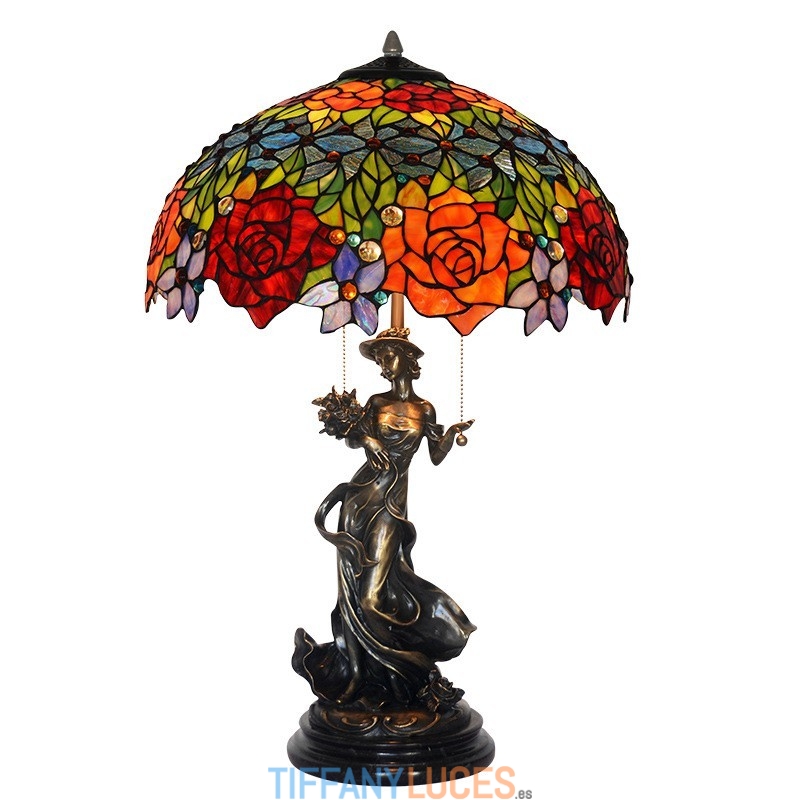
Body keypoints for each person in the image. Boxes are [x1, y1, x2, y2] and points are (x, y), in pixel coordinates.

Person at [293, 329, 475, 708]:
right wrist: (367, 439)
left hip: (392, 504)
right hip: (362, 497)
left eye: (388, 357)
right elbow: (352, 437)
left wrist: (450, 436)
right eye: (379, 360)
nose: (382, 366)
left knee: (373, 597)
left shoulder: (425, 409)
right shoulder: (377, 403)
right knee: (355, 591)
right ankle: (362, 675)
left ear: (407, 359)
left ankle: (409, 671)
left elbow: (435, 456)